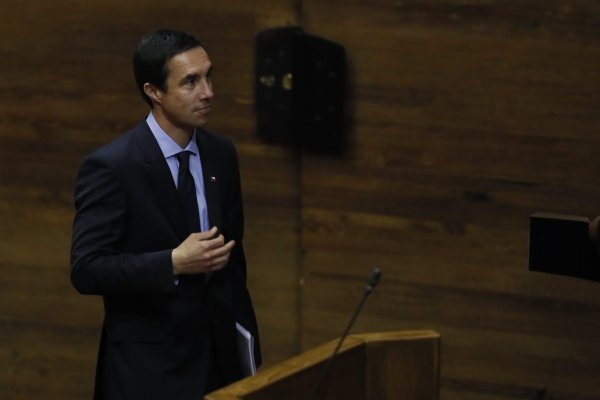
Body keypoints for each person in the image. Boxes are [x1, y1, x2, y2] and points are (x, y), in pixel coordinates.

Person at [70, 29, 261, 399]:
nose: (208, 92)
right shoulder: (112, 167)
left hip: (220, 360)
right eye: (190, 82)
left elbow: (234, 262)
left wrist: (247, 346)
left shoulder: (221, 153)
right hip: (150, 370)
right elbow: (87, 269)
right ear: (153, 92)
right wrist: (172, 262)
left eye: (209, 76)